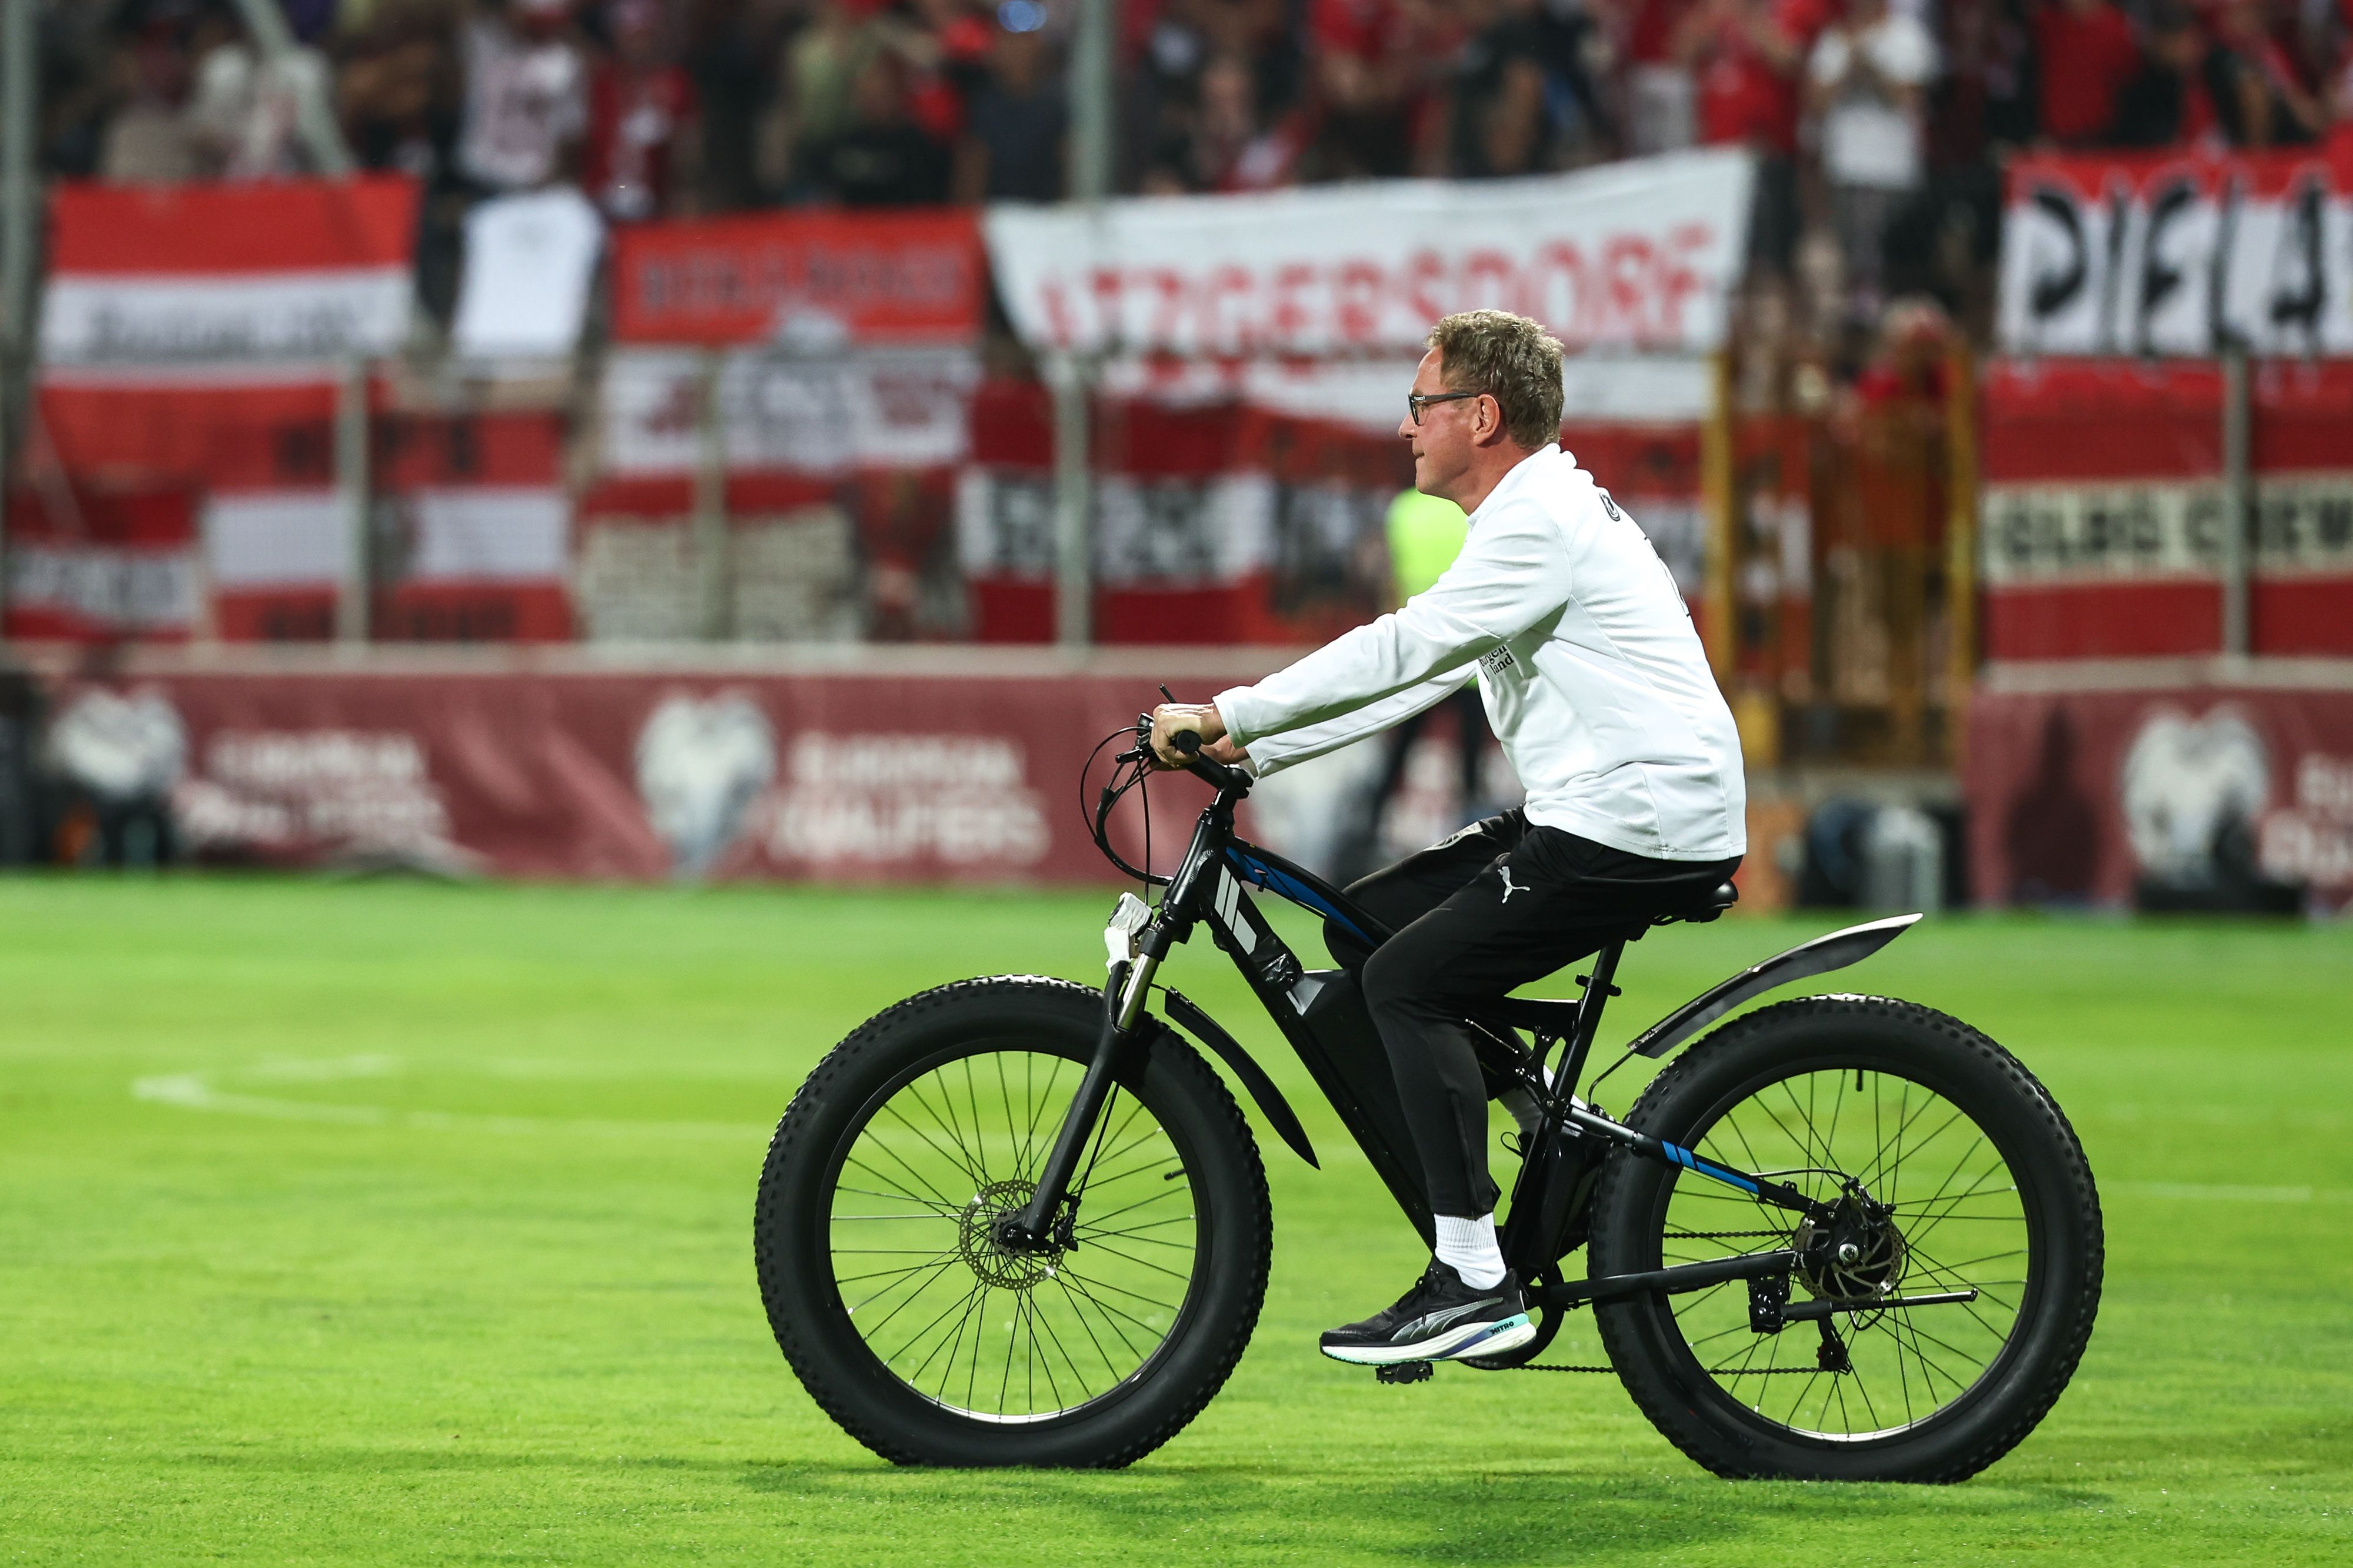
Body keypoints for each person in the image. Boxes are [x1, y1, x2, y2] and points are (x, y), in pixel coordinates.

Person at [1148, 311, 1747, 1367]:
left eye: (1421, 404)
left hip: (1634, 818)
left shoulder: (1536, 521)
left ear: (1483, 414)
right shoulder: (1528, 513)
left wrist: (1233, 708)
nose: (1405, 427)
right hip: (1605, 804)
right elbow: (1428, 671)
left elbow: (1405, 643)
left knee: (1408, 982)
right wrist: (1251, 747)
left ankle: (1473, 1276)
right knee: (1368, 928)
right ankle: (1541, 1129)